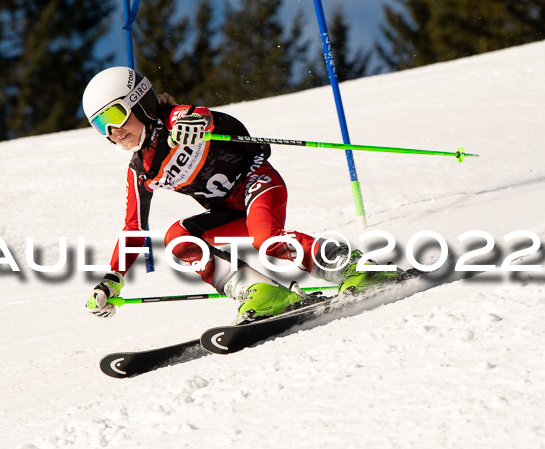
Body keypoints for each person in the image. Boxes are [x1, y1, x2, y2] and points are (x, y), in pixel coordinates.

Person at [83, 66, 398, 322]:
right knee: (179, 239)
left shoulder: (173, 120)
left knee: (269, 241)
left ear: (140, 102)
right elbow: (133, 229)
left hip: (257, 182)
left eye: (115, 117)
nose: (113, 132)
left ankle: (354, 267)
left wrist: (195, 123)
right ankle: (262, 291)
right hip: (231, 212)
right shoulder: (141, 170)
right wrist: (112, 278)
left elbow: (197, 115)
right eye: (101, 126)